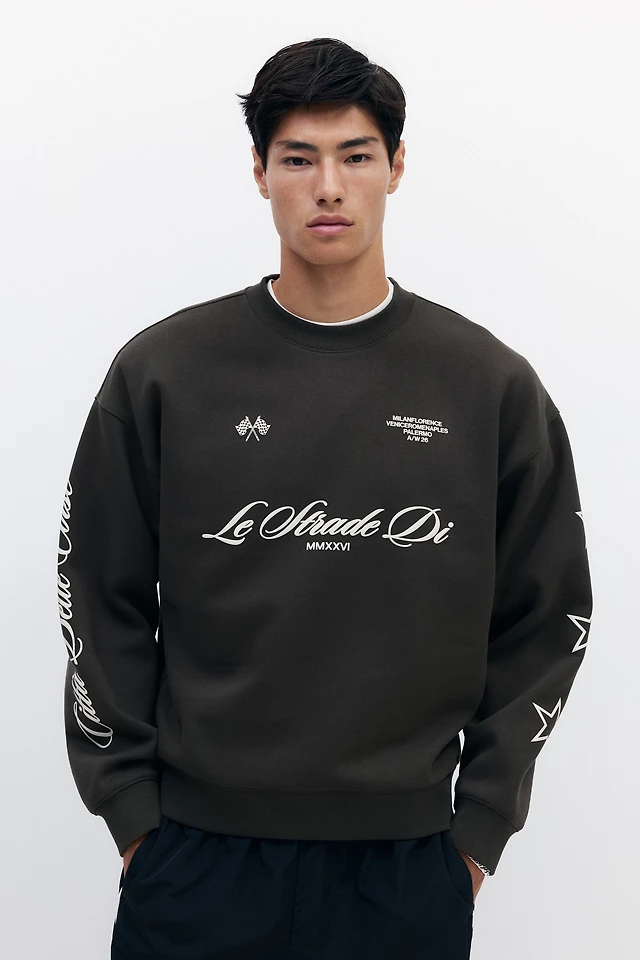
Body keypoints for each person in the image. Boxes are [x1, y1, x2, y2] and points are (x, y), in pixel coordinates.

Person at [56, 36, 593, 960]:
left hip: (405, 869)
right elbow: (96, 596)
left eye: (356, 156)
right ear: (260, 173)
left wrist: (476, 833)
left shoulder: (488, 387)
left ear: (397, 167)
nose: (329, 188)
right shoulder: (165, 373)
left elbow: (550, 619)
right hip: (195, 861)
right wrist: (134, 814)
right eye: (299, 159)